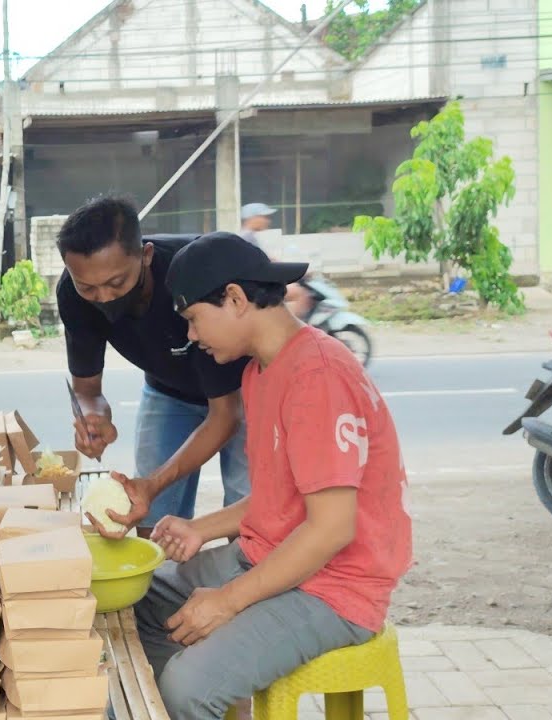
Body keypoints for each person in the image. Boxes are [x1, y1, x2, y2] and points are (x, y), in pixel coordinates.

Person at [135, 232, 413, 720]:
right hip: (274, 556)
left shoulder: (317, 376)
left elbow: (331, 529)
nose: (192, 337)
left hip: (334, 589)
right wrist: (200, 528)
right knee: (143, 597)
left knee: (186, 689)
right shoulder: (260, 371)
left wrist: (227, 603)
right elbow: (279, 498)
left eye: (194, 320)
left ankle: (198, 695)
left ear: (235, 300)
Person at [56, 196, 248, 539]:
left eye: (116, 283)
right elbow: (87, 391)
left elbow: (226, 414)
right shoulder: (73, 294)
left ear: (145, 256)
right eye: (88, 287)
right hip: (167, 391)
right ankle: (165, 589)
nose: (103, 297)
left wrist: (154, 482)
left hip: (242, 390)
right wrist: (93, 417)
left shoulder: (192, 273)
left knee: (246, 515)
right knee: (152, 520)